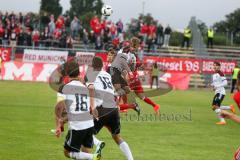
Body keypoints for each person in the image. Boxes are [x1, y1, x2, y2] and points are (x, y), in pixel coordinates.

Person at [87, 57, 134, 160]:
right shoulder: (107, 75)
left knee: (86, 132)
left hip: (101, 109)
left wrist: (93, 107)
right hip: (113, 109)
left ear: (93, 66)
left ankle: (98, 143)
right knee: (117, 137)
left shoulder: (91, 75)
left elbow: (90, 89)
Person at [55, 60, 101, 160]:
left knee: (67, 152)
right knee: (84, 151)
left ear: (67, 73)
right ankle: (91, 156)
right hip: (89, 124)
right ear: (79, 73)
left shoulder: (64, 88)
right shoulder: (84, 87)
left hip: (77, 126)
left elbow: (59, 108)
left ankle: (93, 157)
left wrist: (59, 124)